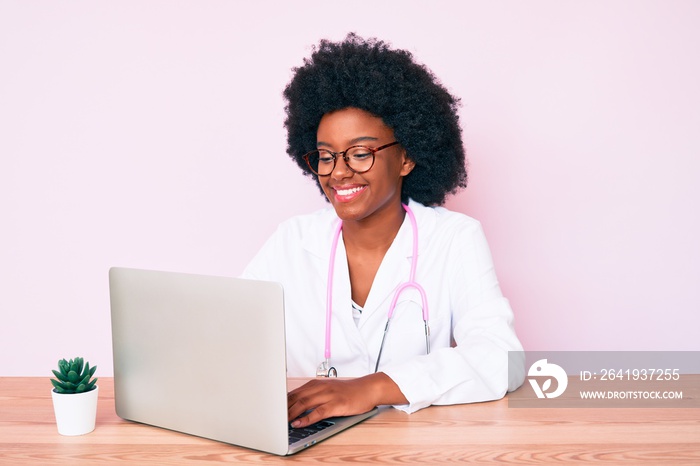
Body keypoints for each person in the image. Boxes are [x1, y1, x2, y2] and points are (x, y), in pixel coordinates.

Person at [241, 33, 525, 428]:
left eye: (360, 153)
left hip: (410, 443)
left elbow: (501, 358)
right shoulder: (293, 240)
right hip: (307, 439)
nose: (338, 171)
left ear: (406, 157)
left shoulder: (454, 238)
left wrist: (372, 387)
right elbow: (230, 337)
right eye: (325, 156)